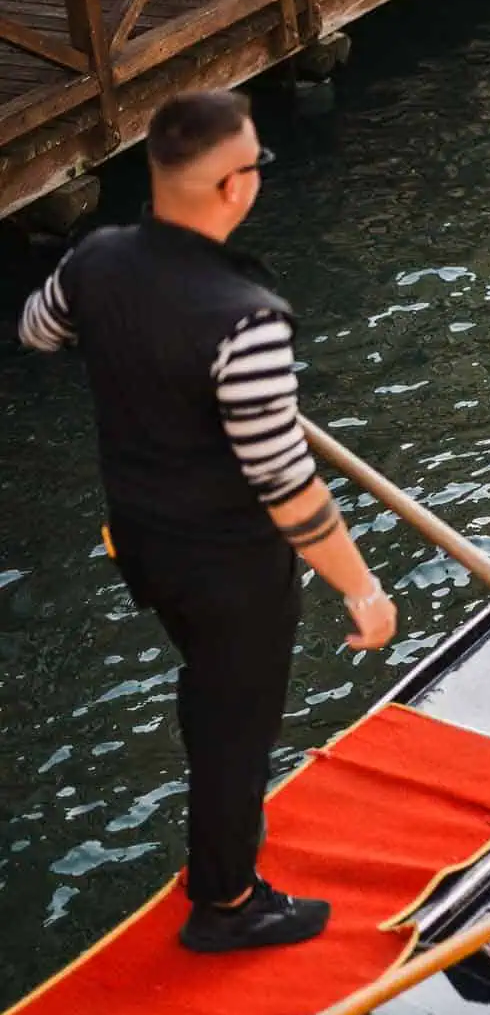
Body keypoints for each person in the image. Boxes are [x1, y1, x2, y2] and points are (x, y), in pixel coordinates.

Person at [17, 89, 397, 954]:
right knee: (239, 724)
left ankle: (211, 821)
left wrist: (146, 348)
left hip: (141, 543)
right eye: (256, 164)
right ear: (233, 187)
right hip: (228, 567)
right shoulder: (246, 318)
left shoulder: (97, 259)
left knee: (210, 688)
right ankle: (226, 903)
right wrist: (364, 589)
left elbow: (42, 332)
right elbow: (287, 489)